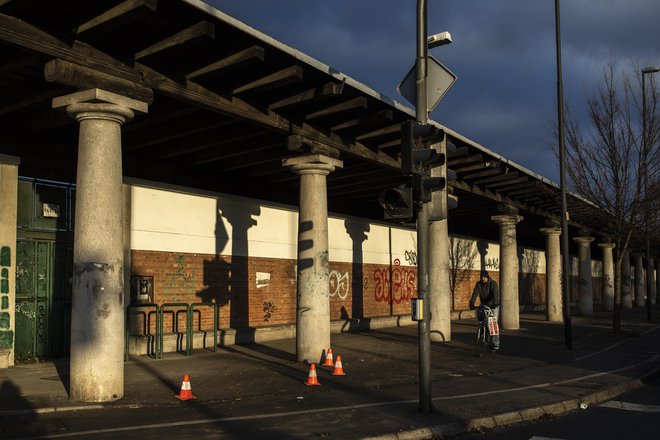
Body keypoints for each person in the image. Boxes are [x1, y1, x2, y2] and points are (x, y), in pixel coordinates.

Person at [469, 270, 500, 350]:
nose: (483, 279)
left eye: (484, 277)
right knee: (481, 318)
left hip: (493, 305)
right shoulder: (478, 284)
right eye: (481, 277)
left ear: (487, 277)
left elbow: (495, 294)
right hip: (484, 304)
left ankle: (496, 343)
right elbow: (475, 294)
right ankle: (482, 332)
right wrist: (472, 303)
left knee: (493, 324)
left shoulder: (493, 283)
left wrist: (495, 303)